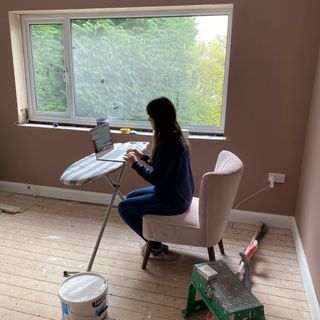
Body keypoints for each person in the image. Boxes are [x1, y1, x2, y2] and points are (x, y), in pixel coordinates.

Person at [118, 96, 194, 258]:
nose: (148, 119)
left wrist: (135, 163)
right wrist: (143, 156)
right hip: (178, 193)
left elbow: (157, 178)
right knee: (130, 197)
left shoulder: (167, 143)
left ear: (158, 119)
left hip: (174, 200)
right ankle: (155, 236)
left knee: (123, 208)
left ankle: (156, 247)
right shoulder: (175, 136)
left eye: (150, 116)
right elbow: (163, 167)